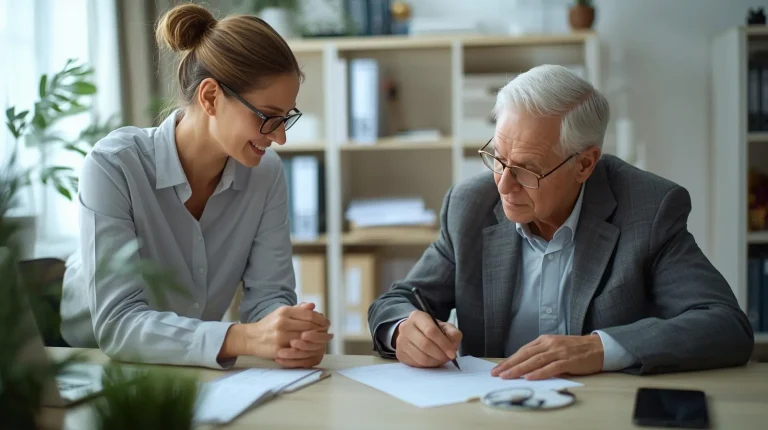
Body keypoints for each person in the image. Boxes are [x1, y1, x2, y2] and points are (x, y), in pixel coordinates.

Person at [368, 64, 754, 378]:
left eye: (526, 169)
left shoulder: (648, 209)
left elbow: (725, 325)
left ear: (584, 164)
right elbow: (396, 302)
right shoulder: (470, 206)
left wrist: (599, 349)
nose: (503, 184)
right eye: (498, 158)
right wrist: (403, 330)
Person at [60, 3, 333, 369]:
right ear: (210, 97)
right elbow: (117, 324)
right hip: (86, 364)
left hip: (188, 369)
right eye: (268, 117)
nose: (280, 137)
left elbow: (269, 298)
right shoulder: (114, 166)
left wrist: (290, 336)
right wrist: (244, 338)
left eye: (286, 118)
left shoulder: (265, 174)